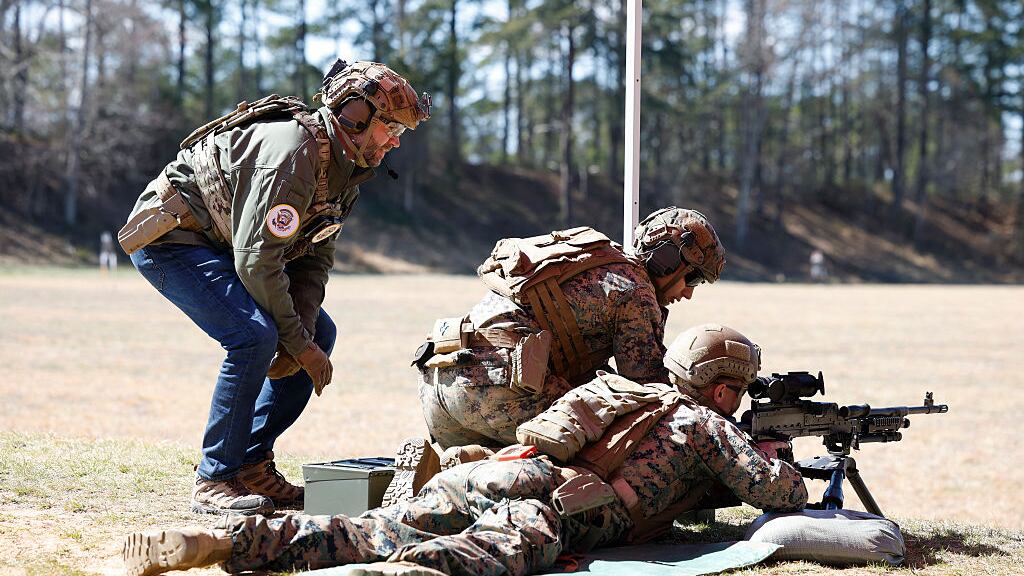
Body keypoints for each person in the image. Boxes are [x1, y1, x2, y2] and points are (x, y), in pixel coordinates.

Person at [122, 324, 806, 576]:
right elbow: (779, 495)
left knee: (372, 526)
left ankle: (223, 542)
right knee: (479, 558)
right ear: (722, 389)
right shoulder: (707, 426)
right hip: (554, 507)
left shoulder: (625, 390)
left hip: (496, 472)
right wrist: (775, 454)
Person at [117, 60, 431, 516]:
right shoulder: (293, 154)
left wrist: (304, 334)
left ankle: (250, 465)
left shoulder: (348, 169)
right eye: (392, 127)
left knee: (318, 333)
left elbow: (314, 261)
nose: (396, 140)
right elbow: (256, 262)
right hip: (171, 239)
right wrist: (297, 346)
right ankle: (215, 478)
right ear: (355, 116)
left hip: (227, 245)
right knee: (253, 337)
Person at [384, 207, 726, 505]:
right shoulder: (636, 290)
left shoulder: (593, 261)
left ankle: (450, 466)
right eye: (693, 278)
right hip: (502, 386)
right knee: (603, 442)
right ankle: (468, 465)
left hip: (440, 381)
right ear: (667, 261)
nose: (689, 294)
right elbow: (648, 390)